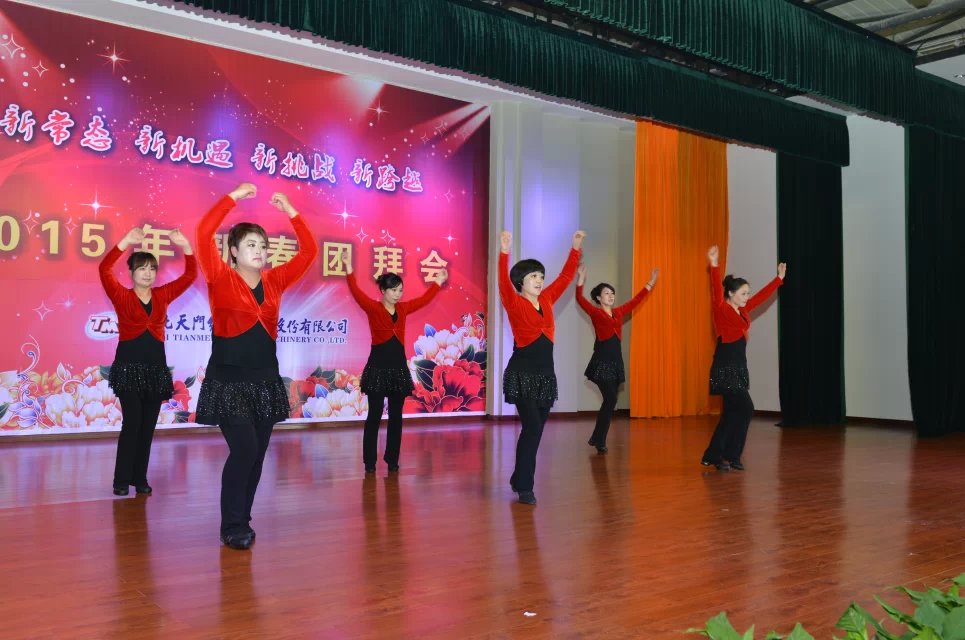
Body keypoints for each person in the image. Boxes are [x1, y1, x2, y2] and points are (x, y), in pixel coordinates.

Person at [194, 183, 318, 550]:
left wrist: (292, 211)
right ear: (233, 251)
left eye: (263, 246)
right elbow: (203, 232)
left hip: (265, 380)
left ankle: (242, 519)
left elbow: (309, 252)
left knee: (257, 454)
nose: (260, 251)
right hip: (228, 380)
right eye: (251, 245)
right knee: (245, 449)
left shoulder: (275, 281)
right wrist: (232, 197)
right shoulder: (220, 277)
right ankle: (231, 524)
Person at [99, 227, 196, 497]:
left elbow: (190, 276)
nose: (147, 273)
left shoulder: (163, 296)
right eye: (141, 268)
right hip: (128, 370)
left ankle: (139, 478)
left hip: (155, 371)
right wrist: (125, 241)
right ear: (131, 272)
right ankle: (121, 480)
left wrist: (186, 247)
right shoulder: (121, 296)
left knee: (147, 427)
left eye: (152, 269)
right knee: (132, 424)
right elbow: (104, 269)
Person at [498, 229, 584, 505]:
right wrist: (504, 252)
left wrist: (575, 249)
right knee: (533, 427)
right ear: (520, 281)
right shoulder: (514, 302)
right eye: (533, 276)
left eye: (541, 276)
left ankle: (518, 477)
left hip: (546, 376)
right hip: (522, 374)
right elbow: (502, 282)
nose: (539, 280)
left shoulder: (546, 299)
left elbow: (566, 277)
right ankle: (525, 487)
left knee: (534, 431)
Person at [343, 250, 448, 474]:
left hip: (398, 369)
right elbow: (356, 292)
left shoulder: (403, 308)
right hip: (377, 368)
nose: (397, 294)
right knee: (374, 416)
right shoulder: (373, 307)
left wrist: (438, 282)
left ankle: (392, 459)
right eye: (393, 290)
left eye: (400, 290)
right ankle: (369, 462)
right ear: (383, 290)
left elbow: (423, 300)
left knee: (396, 417)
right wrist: (348, 269)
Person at [701, 245, 785, 471]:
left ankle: (717, 456)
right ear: (731, 293)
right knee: (746, 408)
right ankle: (729, 454)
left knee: (730, 414)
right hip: (725, 367)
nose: (747, 297)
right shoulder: (721, 309)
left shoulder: (743, 311)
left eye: (747, 293)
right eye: (743, 293)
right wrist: (714, 264)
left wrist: (778, 279)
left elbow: (761, 297)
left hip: (738, 367)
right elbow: (715, 290)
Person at [575, 263, 659, 453]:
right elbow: (580, 299)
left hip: (615, 363)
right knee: (611, 399)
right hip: (601, 363)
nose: (611, 295)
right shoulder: (596, 312)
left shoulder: (619, 312)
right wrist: (580, 279)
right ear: (599, 298)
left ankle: (598, 438)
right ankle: (599, 439)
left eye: (612, 293)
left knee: (610, 401)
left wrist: (650, 283)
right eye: (606, 293)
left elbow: (636, 300)